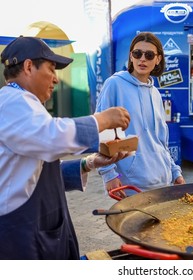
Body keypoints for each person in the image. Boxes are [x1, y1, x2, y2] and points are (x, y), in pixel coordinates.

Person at [0, 36, 131, 259]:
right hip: (20, 235)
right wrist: (102, 120)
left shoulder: (27, 105)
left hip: (40, 228)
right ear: (29, 66)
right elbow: (50, 137)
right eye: (51, 69)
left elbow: (39, 170)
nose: (56, 80)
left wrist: (89, 163)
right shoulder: (11, 101)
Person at [95, 32, 185, 196]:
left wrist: (174, 171)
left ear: (158, 59)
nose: (142, 59)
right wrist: (109, 174)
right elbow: (101, 131)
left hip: (163, 181)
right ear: (131, 56)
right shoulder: (114, 84)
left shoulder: (156, 94)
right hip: (132, 185)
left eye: (149, 55)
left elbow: (160, 141)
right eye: (137, 54)